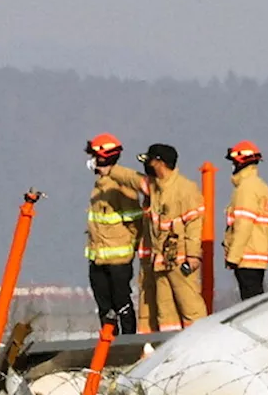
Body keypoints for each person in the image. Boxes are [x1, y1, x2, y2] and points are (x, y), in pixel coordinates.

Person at [106, 143, 207, 331]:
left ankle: (201, 345)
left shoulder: (186, 189)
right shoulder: (154, 187)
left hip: (180, 262)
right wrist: (109, 169)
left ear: (160, 162)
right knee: (165, 312)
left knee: (190, 308)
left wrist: (193, 257)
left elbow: (194, 225)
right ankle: (168, 350)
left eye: (150, 161)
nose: (148, 165)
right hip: (160, 263)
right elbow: (132, 179)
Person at [83, 133, 143, 335]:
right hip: (98, 259)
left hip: (118, 261)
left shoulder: (121, 187)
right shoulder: (99, 188)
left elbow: (135, 223)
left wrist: (130, 249)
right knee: (104, 307)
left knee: (122, 303)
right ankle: (108, 345)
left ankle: (127, 344)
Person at [222, 141, 268, 301]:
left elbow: (243, 225)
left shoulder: (246, 188)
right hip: (257, 256)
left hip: (247, 257)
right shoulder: (261, 187)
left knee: (251, 304)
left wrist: (233, 256)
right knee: (257, 301)